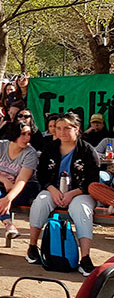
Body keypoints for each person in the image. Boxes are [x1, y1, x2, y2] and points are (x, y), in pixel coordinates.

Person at [27, 113, 101, 275]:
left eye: (67, 128)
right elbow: (41, 174)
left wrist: (74, 192)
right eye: (59, 128)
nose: (62, 132)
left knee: (81, 209)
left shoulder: (87, 150)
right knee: (40, 202)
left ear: (77, 129)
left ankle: (85, 258)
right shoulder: (50, 148)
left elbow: (93, 178)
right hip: (53, 190)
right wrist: (52, 189)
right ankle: (32, 247)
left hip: (81, 192)